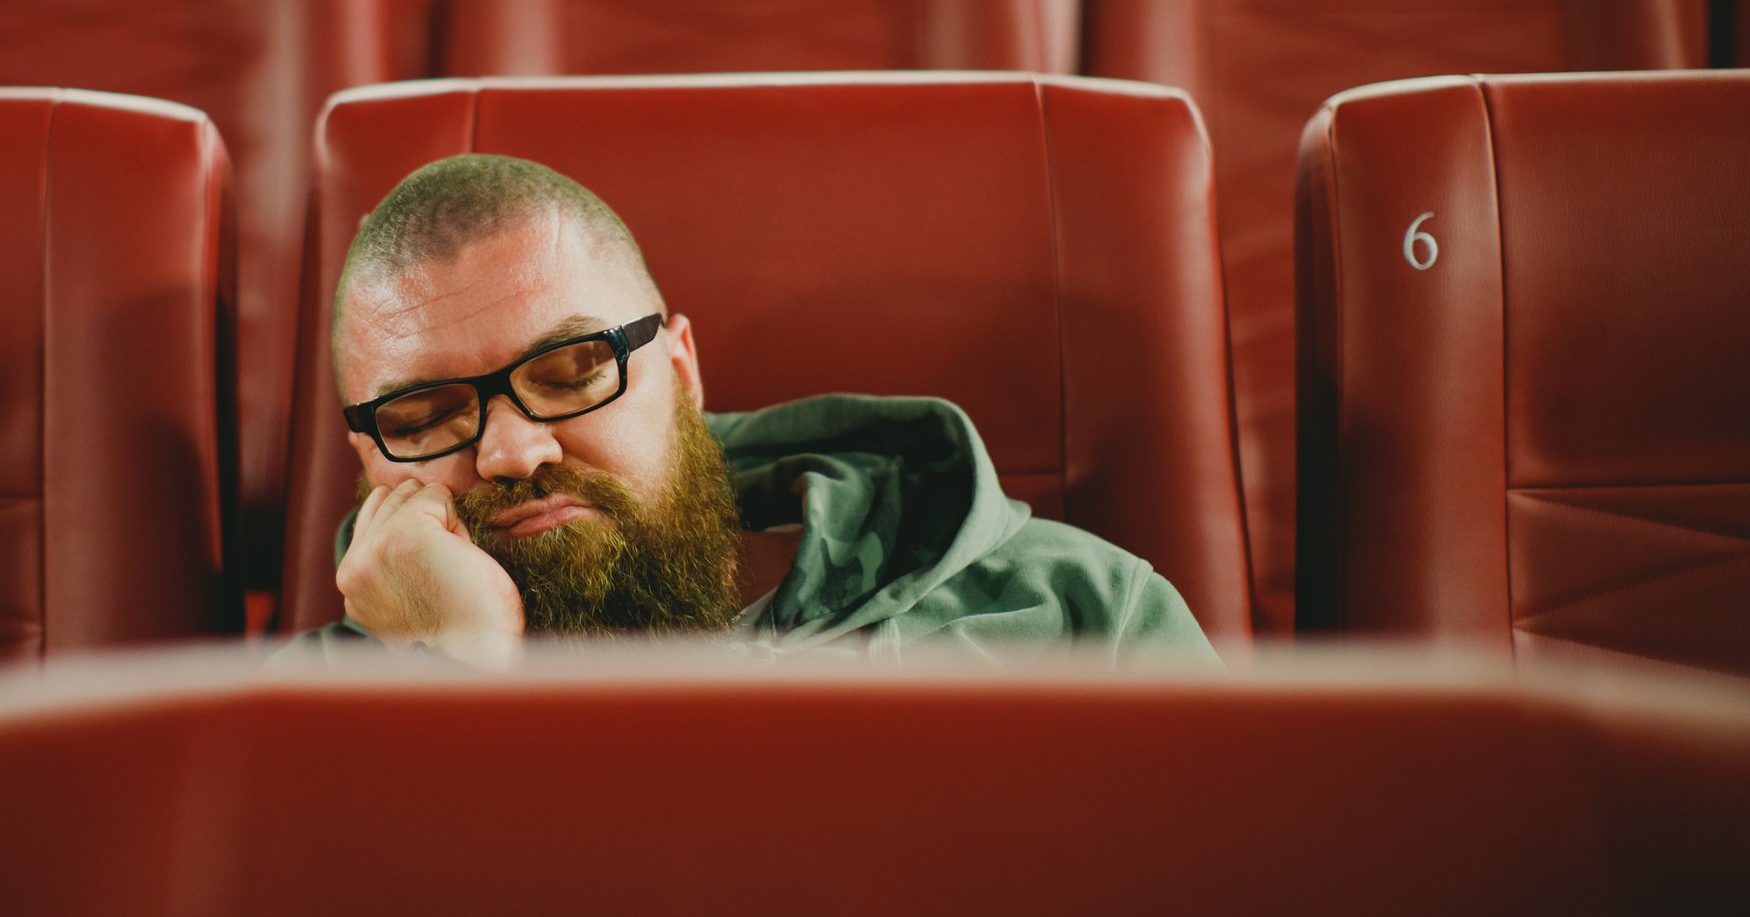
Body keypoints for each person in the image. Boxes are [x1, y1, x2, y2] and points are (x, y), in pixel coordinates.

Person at [283, 154, 1218, 670]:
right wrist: (461, 676)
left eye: (570, 372)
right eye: (426, 415)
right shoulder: (293, 725)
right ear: (372, 462)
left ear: (682, 371)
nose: (511, 452)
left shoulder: (1077, 619)